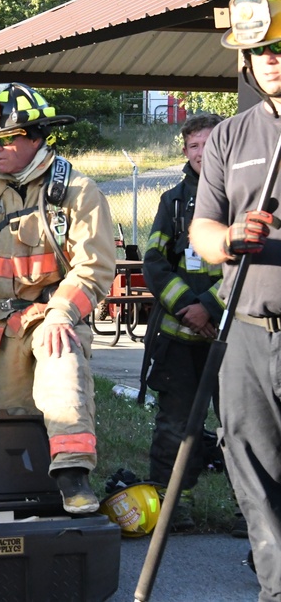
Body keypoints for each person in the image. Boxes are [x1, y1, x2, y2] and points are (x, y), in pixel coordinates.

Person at [0, 83, 115, 514]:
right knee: (7, 424)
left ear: (35, 138)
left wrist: (61, 314)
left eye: (5, 140)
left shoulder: (76, 191)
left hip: (49, 316)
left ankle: (74, 478)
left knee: (63, 381)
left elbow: (93, 267)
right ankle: (19, 499)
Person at [190, 0, 281, 600]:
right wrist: (228, 241)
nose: (271, 61)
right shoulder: (229, 135)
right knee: (256, 484)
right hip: (246, 335)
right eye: (263, 50)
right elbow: (201, 229)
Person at [140, 113, 229, 532]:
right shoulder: (172, 202)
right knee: (176, 425)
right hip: (179, 339)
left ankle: (254, 513)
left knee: (245, 428)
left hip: (233, 337)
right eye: (195, 146)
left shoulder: (241, 198)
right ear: (185, 150)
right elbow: (155, 263)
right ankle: (173, 508)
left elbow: (252, 263)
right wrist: (188, 309)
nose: (202, 153)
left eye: (210, 144)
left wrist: (210, 306)